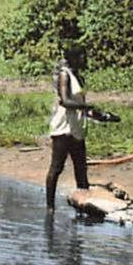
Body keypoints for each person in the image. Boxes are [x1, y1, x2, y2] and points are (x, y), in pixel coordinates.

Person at [46, 44, 96, 210]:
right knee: (57, 168)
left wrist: (98, 114)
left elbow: (79, 103)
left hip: (76, 127)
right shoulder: (64, 75)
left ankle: (85, 206)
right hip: (63, 128)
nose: (85, 59)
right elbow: (65, 100)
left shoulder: (77, 76)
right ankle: (50, 208)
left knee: (81, 168)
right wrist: (86, 108)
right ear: (73, 58)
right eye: (82, 56)